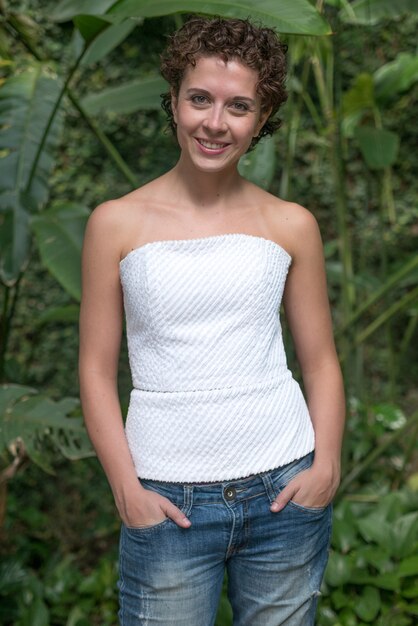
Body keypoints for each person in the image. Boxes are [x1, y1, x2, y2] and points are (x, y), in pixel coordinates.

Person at [79, 15, 345, 626]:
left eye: (239, 106)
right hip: (166, 503)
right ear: (173, 101)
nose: (215, 123)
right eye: (200, 98)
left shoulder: (290, 223)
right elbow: (94, 370)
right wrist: (127, 488)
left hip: (286, 492)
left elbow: (321, 360)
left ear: (262, 118)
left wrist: (325, 463)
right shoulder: (115, 223)